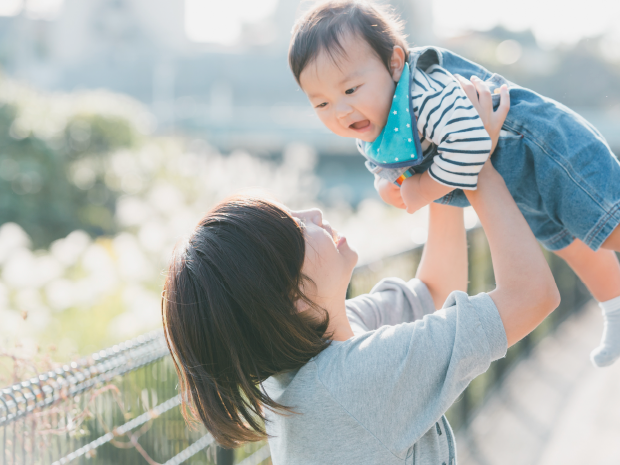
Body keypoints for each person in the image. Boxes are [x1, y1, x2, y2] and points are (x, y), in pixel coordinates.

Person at [162, 83, 559, 463]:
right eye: (298, 228)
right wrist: (478, 163)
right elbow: (532, 296)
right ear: (293, 297)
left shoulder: (318, 356)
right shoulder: (355, 381)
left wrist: (441, 165)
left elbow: (435, 291)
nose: (314, 214)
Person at [288, 0, 620, 367]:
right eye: (321, 104)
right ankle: (616, 309)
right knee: (571, 244)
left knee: (607, 228)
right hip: (518, 184)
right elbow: (388, 168)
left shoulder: (423, 97)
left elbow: (474, 142)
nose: (340, 111)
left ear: (395, 64)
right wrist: (391, 186)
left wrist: (422, 189)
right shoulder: (371, 124)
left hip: (543, 150)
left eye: (350, 90)